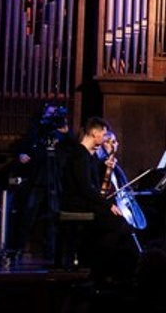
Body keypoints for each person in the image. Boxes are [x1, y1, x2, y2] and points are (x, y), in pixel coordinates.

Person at [58, 115, 132, 270]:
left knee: (120, 222)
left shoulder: (88, 156)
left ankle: (106, 264)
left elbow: (93, 184)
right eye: (104, 135)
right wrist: (106, 205)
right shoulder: (79, 155)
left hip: (86, 202)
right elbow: (85, 188)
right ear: (94, 133)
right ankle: (99, 265)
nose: (106, 138)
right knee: (117, 224)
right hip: (77, 204)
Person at [8, 102, 70, 258]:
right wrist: (21, 154)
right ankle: (17, 249)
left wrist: (64, 132)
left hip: (55, 179)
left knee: (54, 216)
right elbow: (22, 147)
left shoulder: (62, 133)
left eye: (54, 114)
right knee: (28, 214)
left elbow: (70, 149)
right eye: (49, 114)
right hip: (38, 178)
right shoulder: (38, 131)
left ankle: (52, 252)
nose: (51, 118)